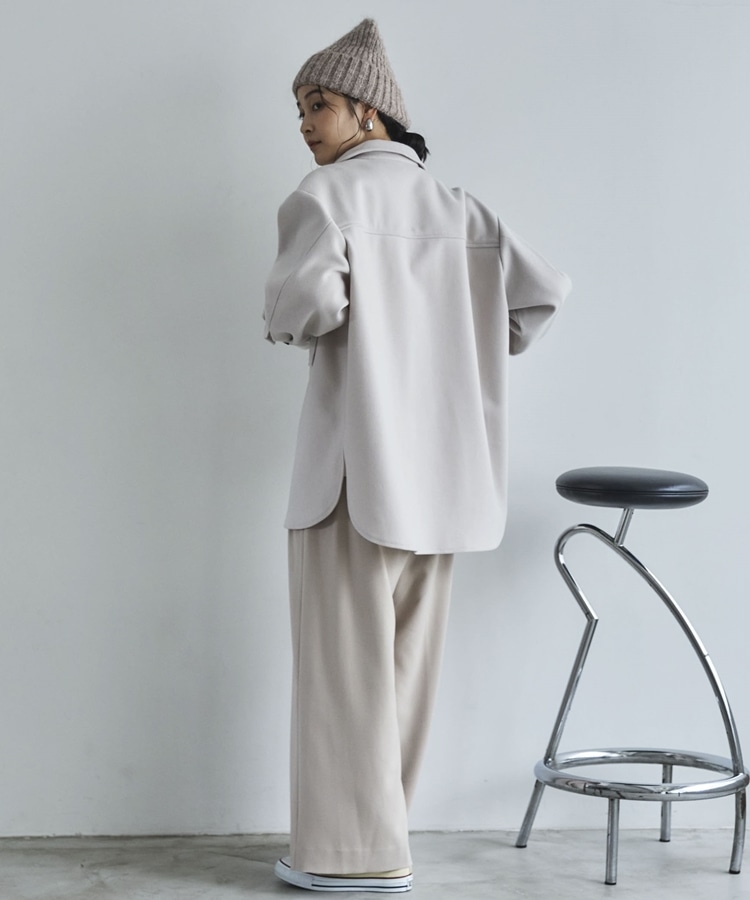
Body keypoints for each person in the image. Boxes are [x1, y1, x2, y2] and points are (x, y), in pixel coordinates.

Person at [263, 18, 571, 893]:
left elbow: (301, 312)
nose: (304, 123)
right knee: (403, 673)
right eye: (300, 108)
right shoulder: (464, 210)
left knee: (340, 679)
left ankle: (347, 858)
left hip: (351, 479)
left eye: (318, 104)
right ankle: (385, 839)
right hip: (445, 482)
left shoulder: (327, 198)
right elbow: (538, 303)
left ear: (370, 112)